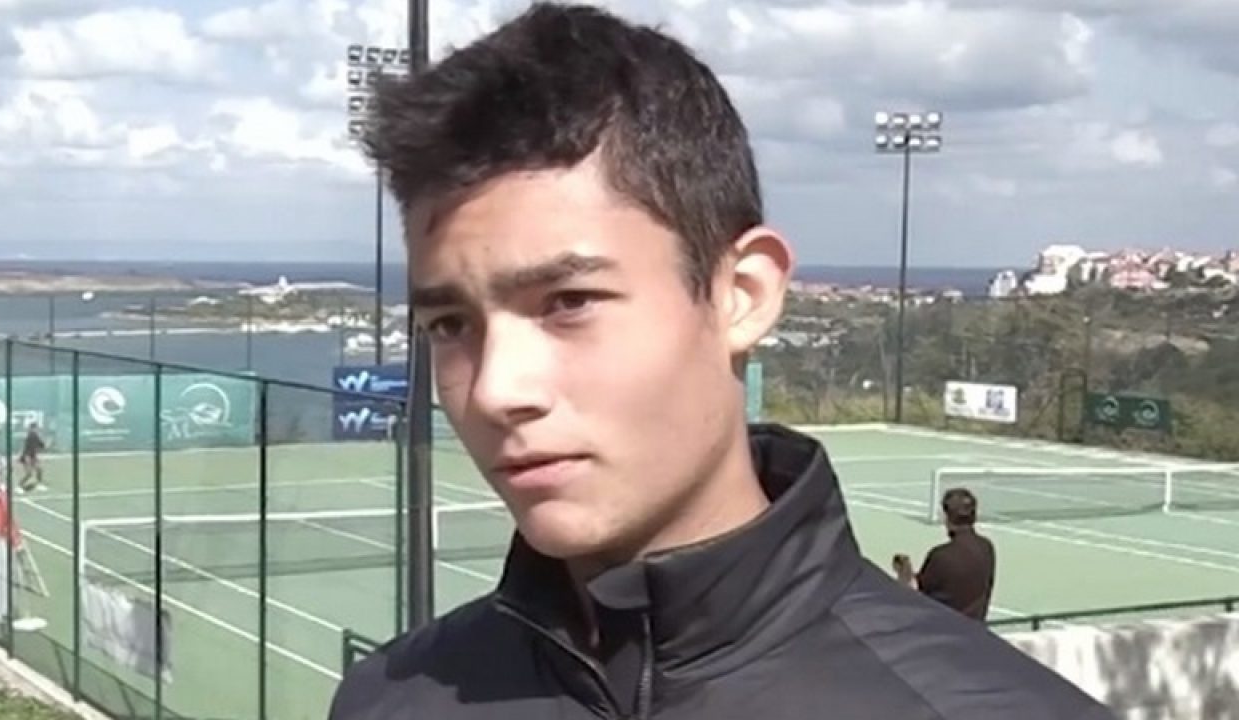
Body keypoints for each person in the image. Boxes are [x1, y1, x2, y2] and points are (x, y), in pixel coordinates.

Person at [329, 4, 1114, 719]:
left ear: (742, 295)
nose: (497, 390)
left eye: (569, 302)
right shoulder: (385, 702)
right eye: (450, 324)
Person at [893, 487, 996, 621]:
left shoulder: (941, 556)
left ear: (947, 518)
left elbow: (917, 593)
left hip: (943, 629)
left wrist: (905, 575)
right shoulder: (987, 548)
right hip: (976, 628)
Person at [18, 422, 47, 493]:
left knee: (39, 470)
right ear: (32, 428)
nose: (37, 429)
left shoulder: (35, 436)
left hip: (32, 457)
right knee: (29, 473)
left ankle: (39, 484)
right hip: (27, 457)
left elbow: (41, 445)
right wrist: (27, 458)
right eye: (35, 428)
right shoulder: (31, 436)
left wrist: (44, 445)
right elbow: (28, 448)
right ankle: (19, 486)